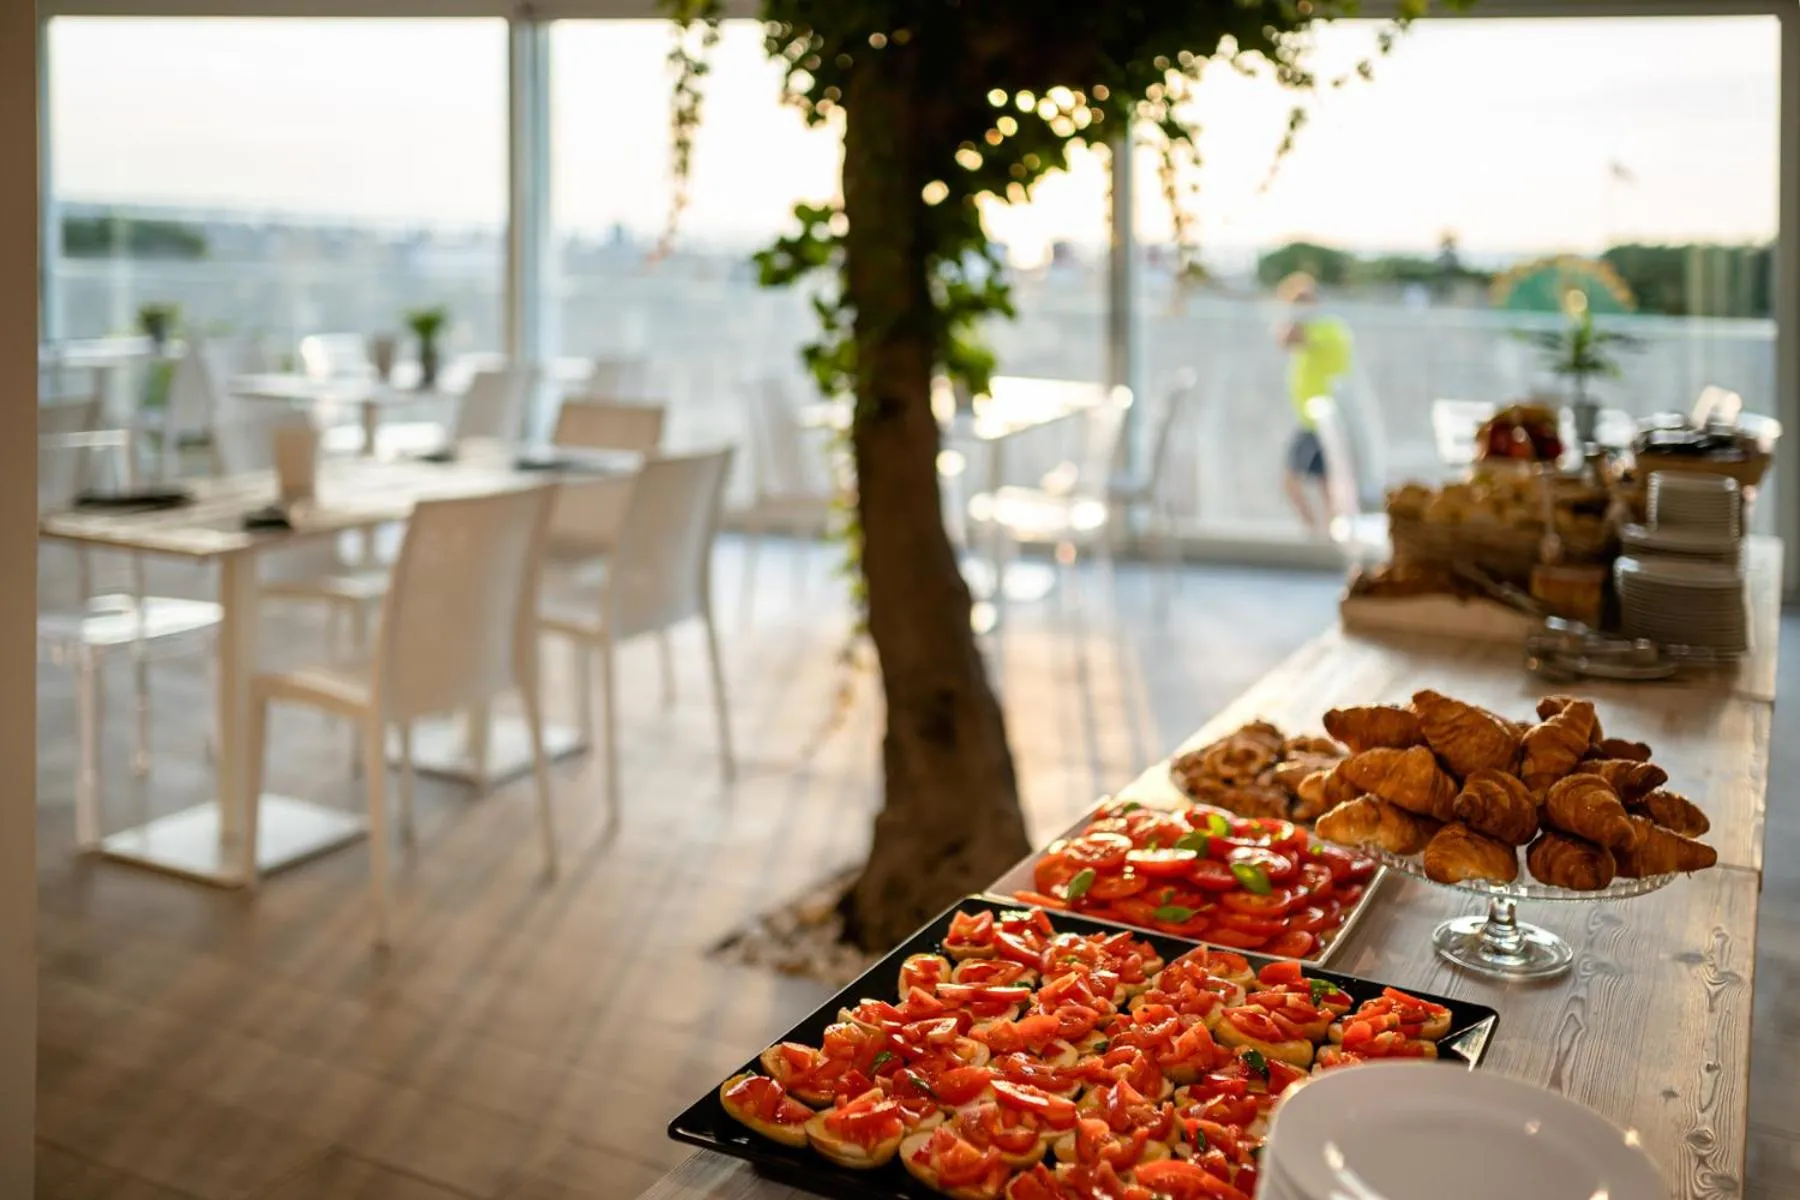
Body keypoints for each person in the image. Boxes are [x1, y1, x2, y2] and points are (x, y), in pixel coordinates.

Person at [1274, 272, 1355, 535]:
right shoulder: (1319, 327)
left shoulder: (1326, 329)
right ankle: (1327, 535)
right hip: (1314, 419)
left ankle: (1319, 535)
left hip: (1318, 421)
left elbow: (1288, 337)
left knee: (1294, 482)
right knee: (1325, 483)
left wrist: (1295, 318)